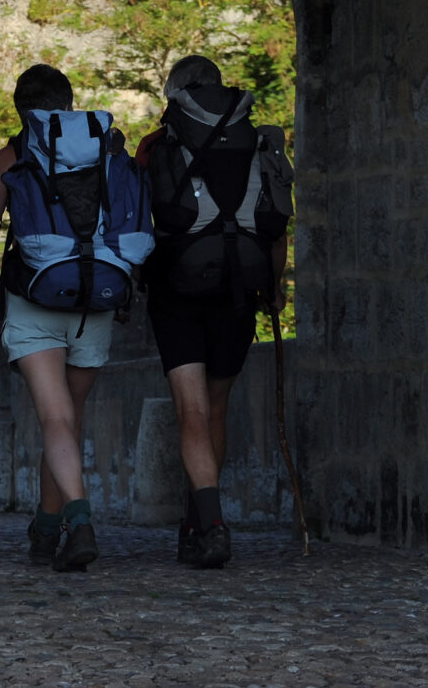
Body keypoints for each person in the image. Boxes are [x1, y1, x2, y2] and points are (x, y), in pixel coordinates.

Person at [0, 63, 141, 572]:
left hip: (36, 299)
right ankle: (45, 527)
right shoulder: (106, 144)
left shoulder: (14, 152)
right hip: (96, 296)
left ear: (22, 110)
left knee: (54, 419)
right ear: (70, 101)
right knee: (66, 420)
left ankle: (78, 521)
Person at [135, 55, 291, 570]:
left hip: (178, 291)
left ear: (176, 95)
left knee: (192, 412)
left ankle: (214, 524)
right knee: (216, 409)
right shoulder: (257, 140)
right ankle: (195, 523)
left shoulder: (159, 145)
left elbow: (138, 217)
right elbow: (275, 221)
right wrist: (274, 288)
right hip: (240, 289)